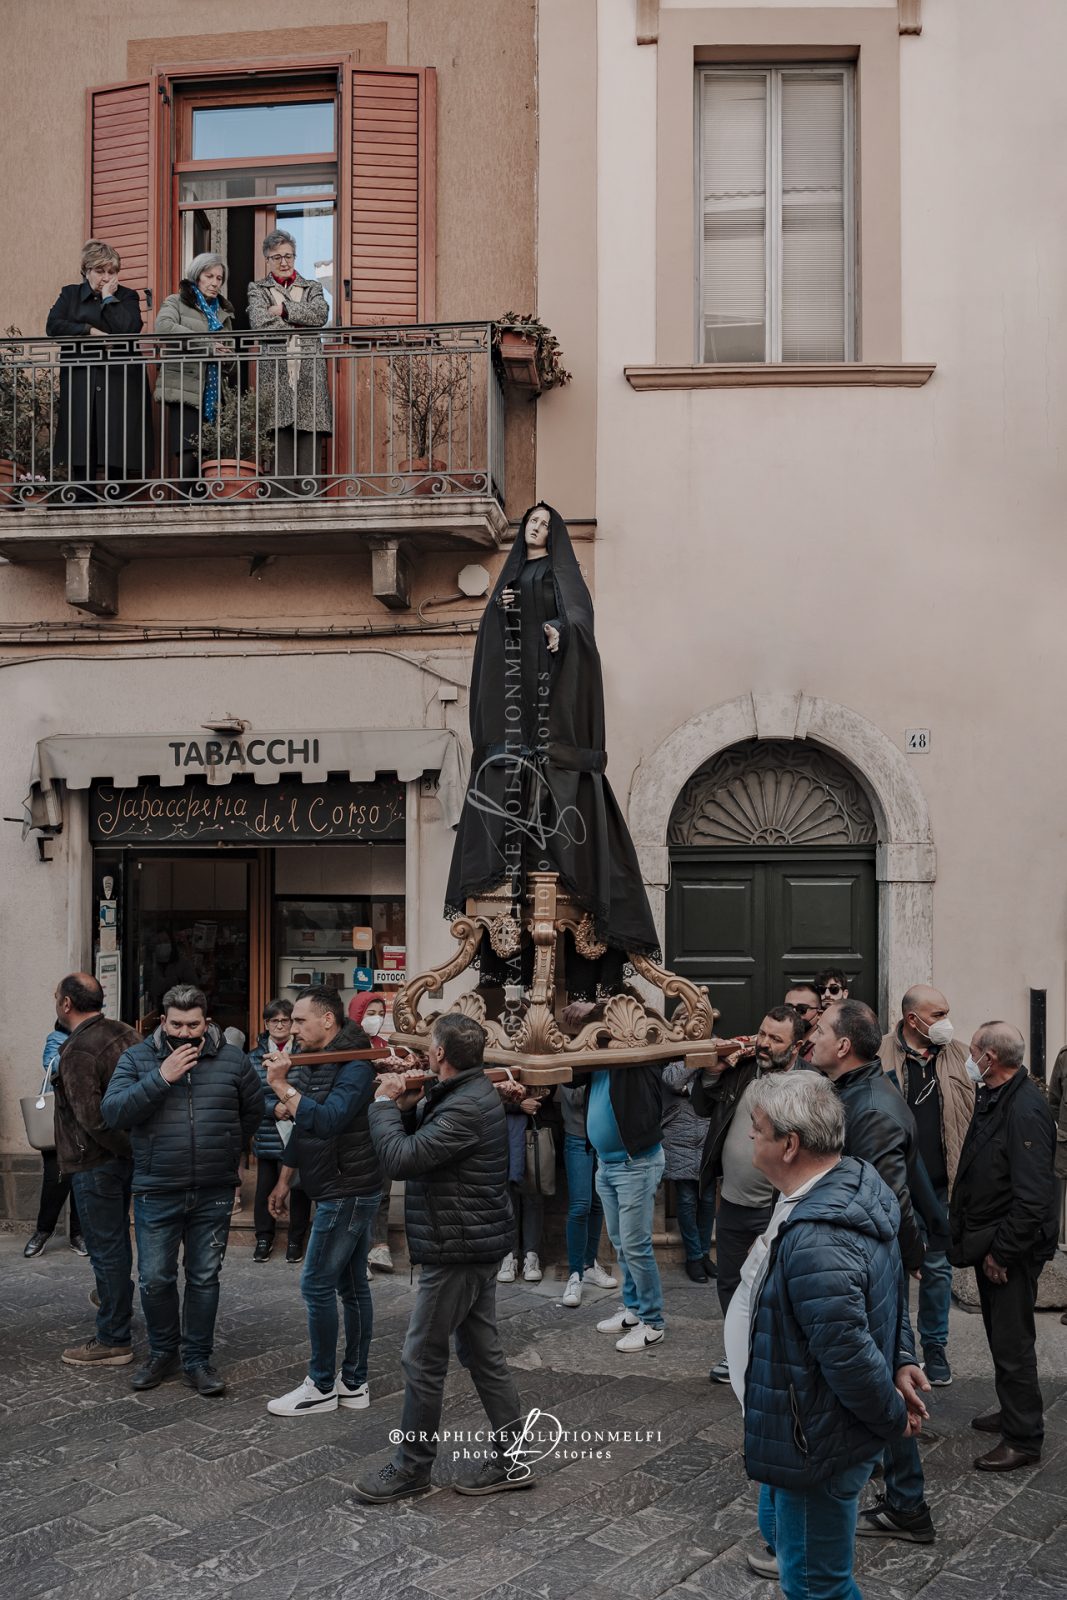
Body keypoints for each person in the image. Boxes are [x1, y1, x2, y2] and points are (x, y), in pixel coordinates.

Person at [445, 503, 660, 996]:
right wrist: (504, 618)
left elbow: (579, 617)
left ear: (555, 532)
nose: (537, 530)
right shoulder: (512, 573)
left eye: (544, 524)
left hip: (550, 683)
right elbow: (489, 643)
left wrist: (560, 632)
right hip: (514, 694)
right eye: (531, 524)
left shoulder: (561, 572)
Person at [734, 1071, 930, 1600]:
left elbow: (847, 1353)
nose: (750, 1137)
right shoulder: (852, 1180)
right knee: (791, 1544)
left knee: (819, 1587)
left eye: (757, 1128)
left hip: (814, 1440)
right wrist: (904, 1355)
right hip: (799, 1420)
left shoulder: (820, 1235)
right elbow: (886, 1289)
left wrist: (893, 1416)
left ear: (790, 1144)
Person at [356, 1013, 528, 1502]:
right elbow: (430, 1145)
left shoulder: (467, 1105)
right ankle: (513, 1458)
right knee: (481, 1353)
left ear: (440, 1055)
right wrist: (410, 1105)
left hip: (458, 1246)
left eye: (430, 1048)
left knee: (422, 1356)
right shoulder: (464, 1093)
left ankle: (412, 1466)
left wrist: (384, 1105)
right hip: (470, 1239)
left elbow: (403, 1160)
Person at [811, 999, 938, 1545]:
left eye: (818, 1028)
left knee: (880, 1375)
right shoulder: (851, 1093)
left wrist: (910, 1256)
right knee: (876, 1374)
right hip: (862, 1261)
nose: (808, 1035)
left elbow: (890, 1200)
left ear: (843, 1045)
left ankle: (907, 1504)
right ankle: (897, 1493)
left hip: (866, 1267)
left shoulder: (871, 1108)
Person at [101, 984, 263, 1397]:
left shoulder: (232, 1060)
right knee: (155, 1278)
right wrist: (161, 1077)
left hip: (213, 1188)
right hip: (157, 1187)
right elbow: (113, 1111)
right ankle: (162, 1353)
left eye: (194, 1025)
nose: (186, 1033)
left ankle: (197, 1359)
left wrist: (227, 1152)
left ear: (206, 1022)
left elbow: (252, 1111)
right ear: (163, 1022)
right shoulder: (138, 1058)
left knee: (205, 1277)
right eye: (177, 1024)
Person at [263, 986, 381, 1417]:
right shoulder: (317, 1058)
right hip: (334, 1184)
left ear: (327, 1020)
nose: (292, 1028)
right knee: (352, 1288)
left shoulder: (354, 1063)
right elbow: (305, 1124)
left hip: (347, 1190)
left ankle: (321, 1385)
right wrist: (284, 1179)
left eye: (299, 1021)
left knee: (316, 1285)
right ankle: (353, 1383)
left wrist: (280, 1085)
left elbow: (327, 1121)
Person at [949, 1022, 1058, 1470]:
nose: (969, 1057)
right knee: (1001, 1338)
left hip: (1010, 1250)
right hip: (991, 1241)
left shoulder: (1025, 1108)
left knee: (1014, 1344)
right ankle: (1013, 1412)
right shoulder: (996, 1094)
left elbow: (1033, 1197)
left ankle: (1024, 1438)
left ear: (989, 1058)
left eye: (974, 1050)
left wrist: (1002, 1254)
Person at [691, 1006, 806, 1381]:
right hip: (733, 1201)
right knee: (729, 1281)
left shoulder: (807, 1084)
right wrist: (711, 1073)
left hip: (777, 1205)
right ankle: (737, 1351)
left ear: (796, 1046)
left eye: (776, 1039)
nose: (764, 1043)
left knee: (773, 1287)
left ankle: (771, 1358)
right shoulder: (741, 1070)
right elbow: (701, 1105)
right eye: (762, 1033)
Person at [879, 985, 975, 1386]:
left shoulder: (962, 1054)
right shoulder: (879, 1052)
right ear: (912, 1020)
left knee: (937, 1269)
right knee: (892, 1269)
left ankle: (934, 1347)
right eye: (938, 1015)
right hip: (893, 1185)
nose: (946, 1022)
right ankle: (897, 1347)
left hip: (940, 1186)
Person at [51, 973, 139, 1366]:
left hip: (97, 1162)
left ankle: (113, 1336)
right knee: (115, 1243)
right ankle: (113, 1298)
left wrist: (125, 1150)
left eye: (57, 996)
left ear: (67, 1003)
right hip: (121, 1159)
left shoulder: (78, 1051)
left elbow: (92, 1119)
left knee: (107, 1250)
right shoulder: (124, 1032)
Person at [46, 239, 152, 495]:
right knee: (83, 435)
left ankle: (117, 497)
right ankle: (82, 496)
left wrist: (108, 299)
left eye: (111, 272)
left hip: (120, 378)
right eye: (100, 271)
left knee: (118, 439)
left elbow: (129, 329)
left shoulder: (126, 296)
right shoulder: (70, 294)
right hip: (82, 376)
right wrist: (89, 331)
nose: (106, 277)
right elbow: (54, 326)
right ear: (86, 270)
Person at [247, 230, 331, 493]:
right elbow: (260, 323)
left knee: (310, 432)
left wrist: (283, 310)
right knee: (279, 435)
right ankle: (279, 500)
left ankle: (311, 500)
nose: (284, 262)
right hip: (276, 372)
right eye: (277, 257)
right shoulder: (257, 289)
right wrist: (298, 323)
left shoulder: (312, 287)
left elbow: (320, 315)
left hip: (308, 372)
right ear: (267, 260)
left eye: (288, 256)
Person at [153, 253, 237, 483]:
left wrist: (228, 356)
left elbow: (228, 353)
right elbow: (163, 327)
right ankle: (184, 508)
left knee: (211, 454)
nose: (214, 283)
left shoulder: (224, 312)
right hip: (185, 386)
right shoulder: (176, 301)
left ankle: (204, 508)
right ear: (196, 276)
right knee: (189, 451)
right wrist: (209, 346)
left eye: (219, 278)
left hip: (214, 392)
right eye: (209, 276)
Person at [248, 999, 311, 1264]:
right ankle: (264, 1238)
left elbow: (310, 1086)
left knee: (298, 1187)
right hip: (267, 1129)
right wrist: (272, 1108)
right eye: (275, 1021)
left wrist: (292, 1105)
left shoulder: (305, 1051)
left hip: (297, 1128)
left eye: (286, 1020)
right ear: (266, 1024)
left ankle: (296, 1240)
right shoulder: (253, 1056)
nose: (281, 1025)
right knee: (265, 1187)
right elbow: (249, 1095)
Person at [24, 1017, 86, 1259]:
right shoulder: (57, 1039)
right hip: (57, 1123)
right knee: (55, 1180)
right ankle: (43, 1231)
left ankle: (78, 1236)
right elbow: (52, 1063)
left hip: (84, 1121)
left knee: (82, 1180)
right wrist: (83, 1048)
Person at [558, 1078, 618, 1307]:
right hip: (577, 1137)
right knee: (580, 1205)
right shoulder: (571, 1056)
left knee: (597, 1203)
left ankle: (589, 1265)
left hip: (603, 1136)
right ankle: (575, 1274)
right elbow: (574, 1098)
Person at [348, 992, 396, 1273]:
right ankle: (356, 1253)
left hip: (381, 1126)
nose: (375, 1018)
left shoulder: (385, 1048)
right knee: (357, 1193)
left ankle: (380, 1246)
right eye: (370, 1012)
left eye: (379, 1012)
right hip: (355, 1130)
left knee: (383, 1190)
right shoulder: (347, 1048)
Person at [661, 1059, 716, 1282]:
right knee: (686, 1199)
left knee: (708, 1198)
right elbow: (673, 1080)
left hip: (707, 1131)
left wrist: (690, 1088)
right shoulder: (672, 1046)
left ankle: (704, 1255)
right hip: (679, 1134)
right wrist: (699, 1060)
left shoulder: (713, 1043)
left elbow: (716, 1086)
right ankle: (693, 1257)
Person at [497, 1082, 554, 1285]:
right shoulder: (495, 1057)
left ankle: (532, 1255)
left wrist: (538, 1100)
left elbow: (550, 1083)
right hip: (501, 1130)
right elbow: (485, 1096)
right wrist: (517, 1105)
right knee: (507, 1196)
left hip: (534, 1129)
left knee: (533, 1193)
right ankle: (508, 1256)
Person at [784, 984, 821, 1062]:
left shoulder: (823, 1048)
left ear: (819, 1014)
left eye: (801, 1009)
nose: (793, 1013)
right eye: (788, 1008)